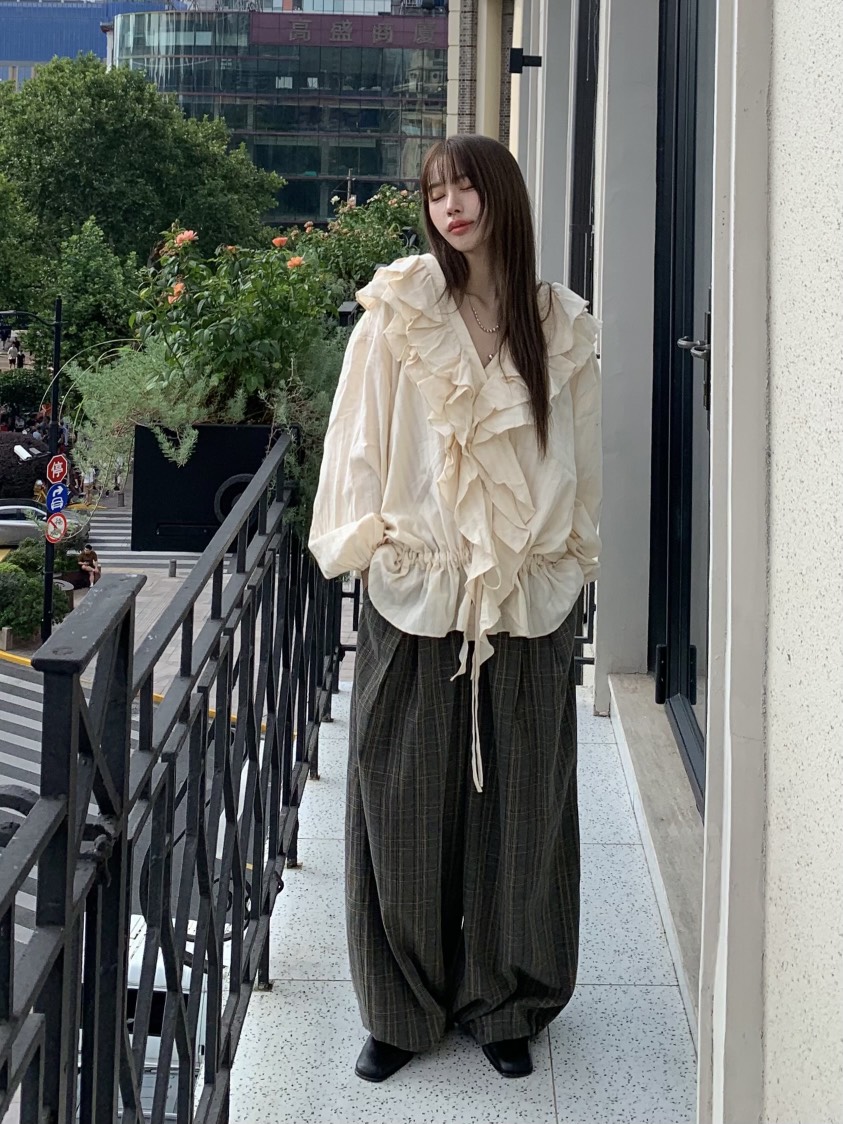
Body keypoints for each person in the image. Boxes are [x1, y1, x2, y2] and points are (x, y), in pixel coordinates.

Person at [309, 135, 602, 1084]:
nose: (451, 205)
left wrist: (571, 561)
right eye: (436, 192)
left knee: (523, 807)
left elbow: (581, 456)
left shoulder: (558, 323)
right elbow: (356, 438)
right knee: (397, 801)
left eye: (467, 186)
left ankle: (506, 1000)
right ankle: (399, 1010)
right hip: (417, 587)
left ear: (501, 195)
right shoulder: (401, 311)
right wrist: (360, 544)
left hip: (526, 594)